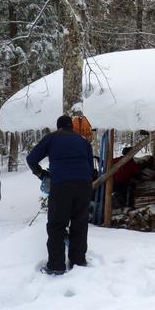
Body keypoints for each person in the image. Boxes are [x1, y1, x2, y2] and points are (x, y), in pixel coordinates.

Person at [27, 115, 94, 275]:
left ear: (58, 127)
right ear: (71, 126)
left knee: (57, 225)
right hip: (84, 185)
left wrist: (41, 174)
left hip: (61, 186)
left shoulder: (51, 138)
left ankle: (56, 266)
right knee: (80, 223)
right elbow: (91, 166)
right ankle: (78, 261)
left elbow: (31, 159)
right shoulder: (83, 141)